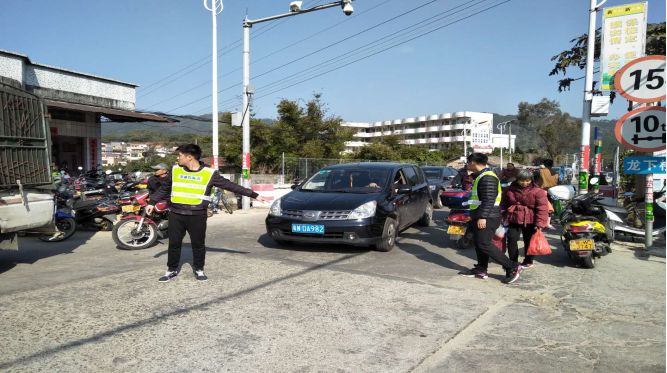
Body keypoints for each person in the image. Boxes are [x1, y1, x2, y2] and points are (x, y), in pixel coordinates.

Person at [146, 144, 270, 282]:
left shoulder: (209, 173)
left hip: (197, 215)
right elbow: (164, 189)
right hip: (176, 213)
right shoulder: (175, 170)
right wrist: (152, 202)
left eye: (179, 155)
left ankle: (199, 269)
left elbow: (231, 185)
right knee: (174, 244)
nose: (177, 158)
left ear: (189, 157)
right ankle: (171, 270)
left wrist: (254, 195)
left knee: (198, 244)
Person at [458, 153, 523, 284]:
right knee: (478, 243)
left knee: (484, 244)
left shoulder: (488, 177)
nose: (467, 165)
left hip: (488, 216)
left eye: (468, 162)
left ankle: (512, 266)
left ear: (473, 163)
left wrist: (482, 217)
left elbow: (489, 200)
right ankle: (481, 269)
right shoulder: (481, 176)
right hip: (480, 215)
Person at [500, 169, 549, 269]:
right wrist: (502, 215)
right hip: (514, 218)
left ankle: (528, 260)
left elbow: (542, 208)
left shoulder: (538, 191)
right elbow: (503, 204)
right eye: (522, 180)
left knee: (529, 241)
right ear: (517, 179)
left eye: (527, 180)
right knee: (512, 240)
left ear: (531, 180)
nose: (524, 183)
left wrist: (539, 223)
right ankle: (513, 262)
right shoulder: (509, 190)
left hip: (531, 220)